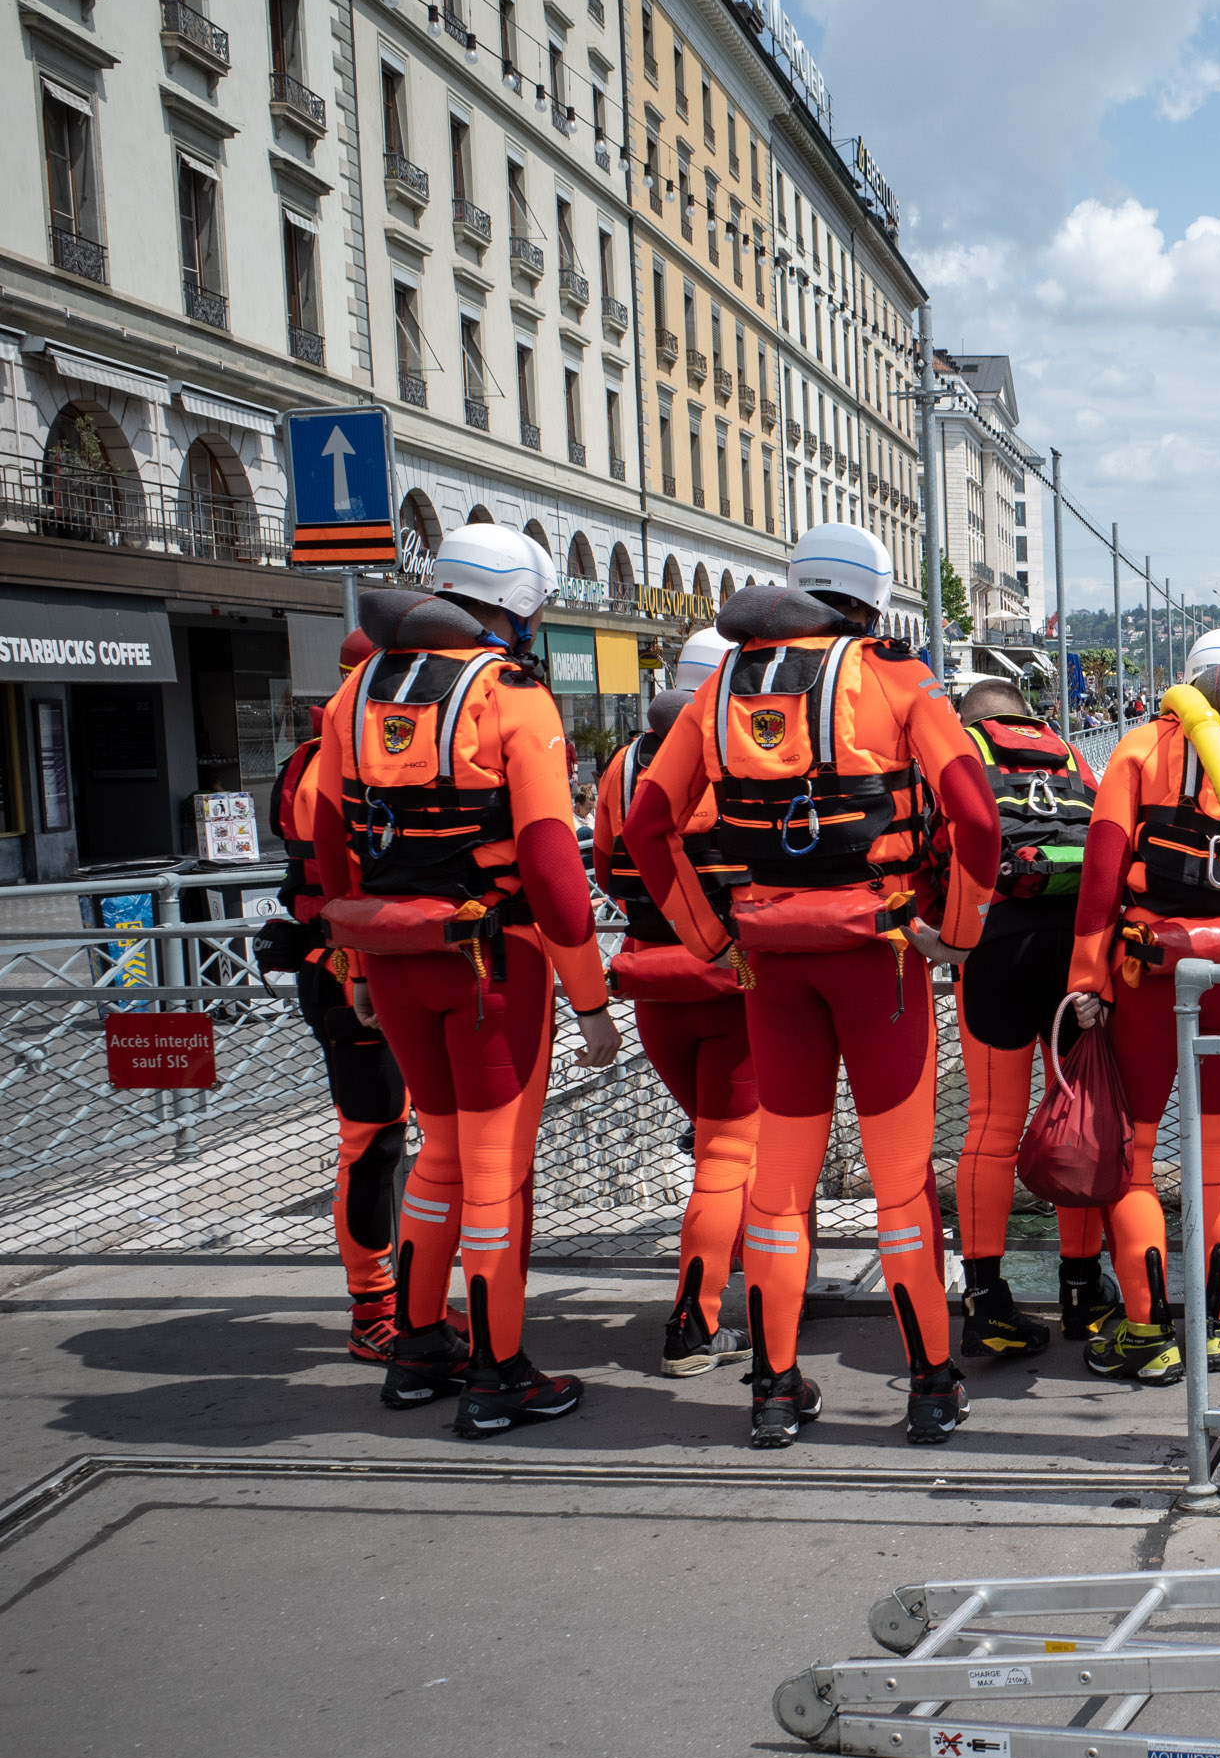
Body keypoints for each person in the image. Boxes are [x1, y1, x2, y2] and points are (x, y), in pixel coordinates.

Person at [622, 526, 1002, 1448]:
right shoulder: (898, 680)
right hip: (882, 963)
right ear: (872, 599)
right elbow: (979, 820)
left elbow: (645, 824)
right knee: (900, 1185)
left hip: (769, 964)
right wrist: (950, 936)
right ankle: (931, 1386)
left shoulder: (719, 688)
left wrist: (713, 939)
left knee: (779, 1187)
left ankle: (777, 1392)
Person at [309, 529, 623, 1434]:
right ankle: (499, 1374)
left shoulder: (353, 694)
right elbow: (553, 863)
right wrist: (592, 1000)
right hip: (495, 962)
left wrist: (357, 964)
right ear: (516, 609)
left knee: (434, 1161)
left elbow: (334, 848)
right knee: (495, 1175)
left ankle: (416, 1349)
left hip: (396, 960)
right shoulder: (512, 698)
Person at [1063, 629, 1220, 1385]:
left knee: (1133, 1155)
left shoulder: (1140, 749)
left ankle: (1145, 1330)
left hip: (1143, 975)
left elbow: (1101, 876)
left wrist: (1086, 978)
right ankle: (1215, 1327)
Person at [591, 626, 757, 1379]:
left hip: (652, 981)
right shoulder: (737, 753)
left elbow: (604, 860)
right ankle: (697, 1323)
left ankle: (740, 1293)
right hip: (732, 981)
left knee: (715, 1146)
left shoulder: (624, 765)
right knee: (729, 1154)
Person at [928, 675, 1106, 1362]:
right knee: (1077, 1116)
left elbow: (933, 844)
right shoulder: (1069, 754)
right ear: (1024, 719)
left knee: (990, 1128)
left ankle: (986, 1302)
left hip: (992, 949)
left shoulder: (957, 753)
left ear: (971, 720)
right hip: (1072, 956)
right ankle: (1082, 1294)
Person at [261, 626, 417, 1367]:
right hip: (345, 974)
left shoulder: (317, 757)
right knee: (374, 1141)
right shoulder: (338, 762)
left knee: (392, 1139)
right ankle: (374, 1310)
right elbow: (343, 879)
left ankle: (403, 1302)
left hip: (354, 967)